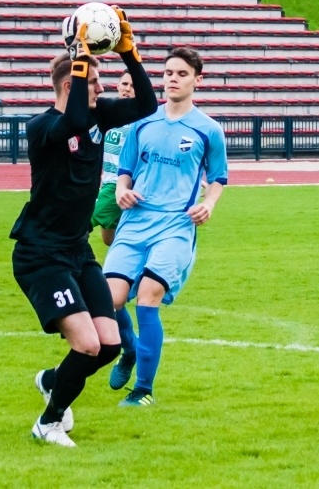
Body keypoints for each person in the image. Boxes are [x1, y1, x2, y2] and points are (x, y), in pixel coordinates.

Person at [10, 11, 157, 447]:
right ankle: (48, 422)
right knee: (89, 345)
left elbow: (146, 105)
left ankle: (53, 379)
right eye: (94, 82)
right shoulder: (43, 128)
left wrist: (130, 54)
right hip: (40, 255)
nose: (102, 88)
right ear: (70, 85)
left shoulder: (98, 116)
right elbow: (71, 122)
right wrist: (79, 58)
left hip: (77, 252)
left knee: (109, 344)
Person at [104, 47, 228, 407]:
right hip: (135, 223)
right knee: (109, 300)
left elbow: (218, 177)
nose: (172, 79)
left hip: (175, 225)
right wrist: (124, 191)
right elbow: (123, 171)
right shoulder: (143, 123)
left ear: (197, 80)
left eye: (181, 74)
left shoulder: (208, 129)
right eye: (168, 73)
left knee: (147, 297)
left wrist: (208, 203)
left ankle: (143, 390)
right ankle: (129, 351)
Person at [91, 69, 135, 249]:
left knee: (78, 223)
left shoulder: (141, 120)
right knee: (109, 239)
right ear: (117, 86)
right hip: (106, 181)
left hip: (119, 185)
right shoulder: (108, 114)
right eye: (125, 84)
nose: (128, 89)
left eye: (133, 86)